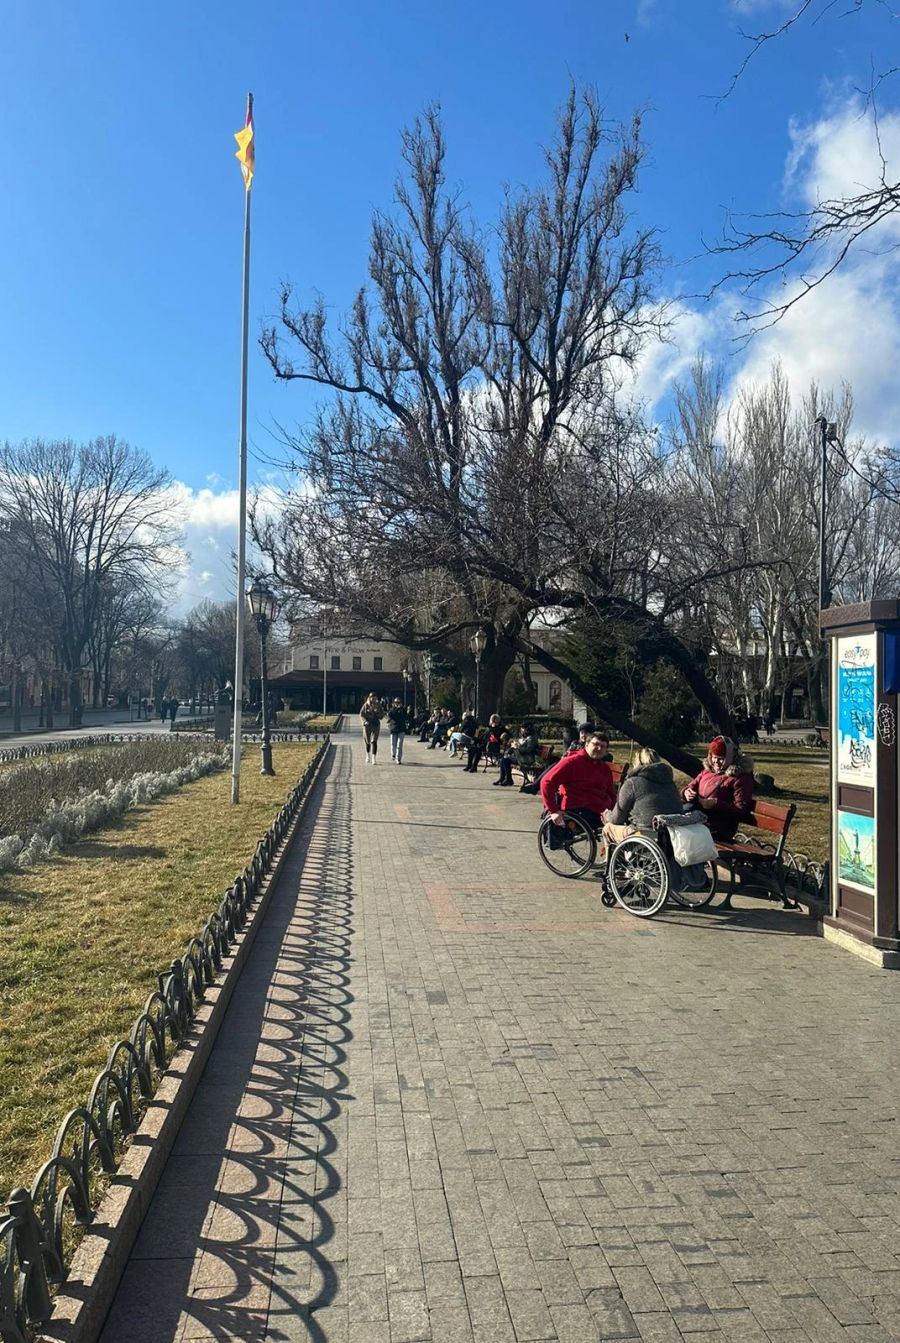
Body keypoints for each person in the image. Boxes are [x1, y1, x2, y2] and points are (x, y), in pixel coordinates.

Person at [539, 731, 616, 841]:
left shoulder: (605, 769)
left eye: (602, 746)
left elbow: (611, 793)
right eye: (596, 744)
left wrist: (616, 810)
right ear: (587, 744)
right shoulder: (572, 762)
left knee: (625, 822)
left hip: (602, 810)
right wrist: (554, 811)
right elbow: (547, 782)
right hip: (579, 809)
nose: (599, 748)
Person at [602, 748, 681, 845]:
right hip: (672, 832)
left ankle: (610, 859)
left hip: (645, 834)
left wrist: (606, 815)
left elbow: (617, 818)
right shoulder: (669, 781)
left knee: (608, 828)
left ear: (637, 762)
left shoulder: (632, 783)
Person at [682, 736, 754, 841]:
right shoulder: (707, 772)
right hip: (701, 820)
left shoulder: (740, 778)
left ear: (730, 757)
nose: (716, 761)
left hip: (721, 828)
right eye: (713, 757)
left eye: (721, 758)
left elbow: (740, 810)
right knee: (674, 827)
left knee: (682, 832)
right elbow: (691, 786)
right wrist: (686, 792)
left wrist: (715, 804)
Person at [495, 722, 539, 786]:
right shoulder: (526, 737)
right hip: (521, 757)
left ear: (527, 729)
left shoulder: (531, 738)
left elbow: (528, 750)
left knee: (505, 760)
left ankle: (508, 779)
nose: (521, 731)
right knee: (504, 759)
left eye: (523, 729)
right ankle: (503, 778)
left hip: (526, 759)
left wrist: (517, 747)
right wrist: (514, 746)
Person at [360, 692, 384, 765]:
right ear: (369, 697)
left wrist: (377, 713)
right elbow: (361, 714)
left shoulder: (378, 705)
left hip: (375, 725)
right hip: (367, 725)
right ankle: (367, 755)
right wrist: (364, 722)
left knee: (374, 741)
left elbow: (382, 716)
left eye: (375, 697)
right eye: (372, 697)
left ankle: (374, 758)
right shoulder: (366, 705)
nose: (373, 699)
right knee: (367, 741)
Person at [386, 698, 408, 763]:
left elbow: (405, 716)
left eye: (398, 703)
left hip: (401, 729)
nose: (397, 704)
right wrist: (396, 708)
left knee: (399, 745)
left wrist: (401, 709)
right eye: (396, 703)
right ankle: (393, 754)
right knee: (393, 745)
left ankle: (398, 758)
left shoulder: (403, 709)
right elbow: (390, 714)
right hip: (393, 729)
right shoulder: (392, 709)